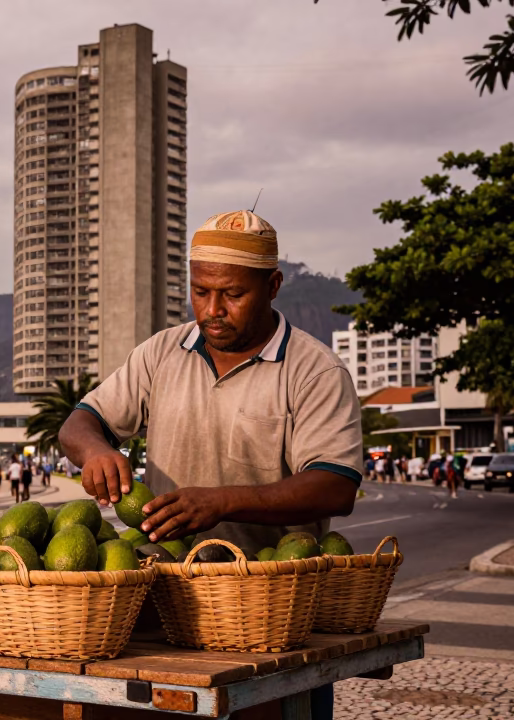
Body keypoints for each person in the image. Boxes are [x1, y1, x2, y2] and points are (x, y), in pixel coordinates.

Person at [61, 210, 360, 720]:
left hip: (268, 613)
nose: (213, 309)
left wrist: (222, 501)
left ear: (272, 286)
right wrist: (96, 450)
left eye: (232, 294)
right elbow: (80, 422)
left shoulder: (315, 371)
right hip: (165, 605)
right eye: (201, 292)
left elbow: (334, 487)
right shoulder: (161, 353)